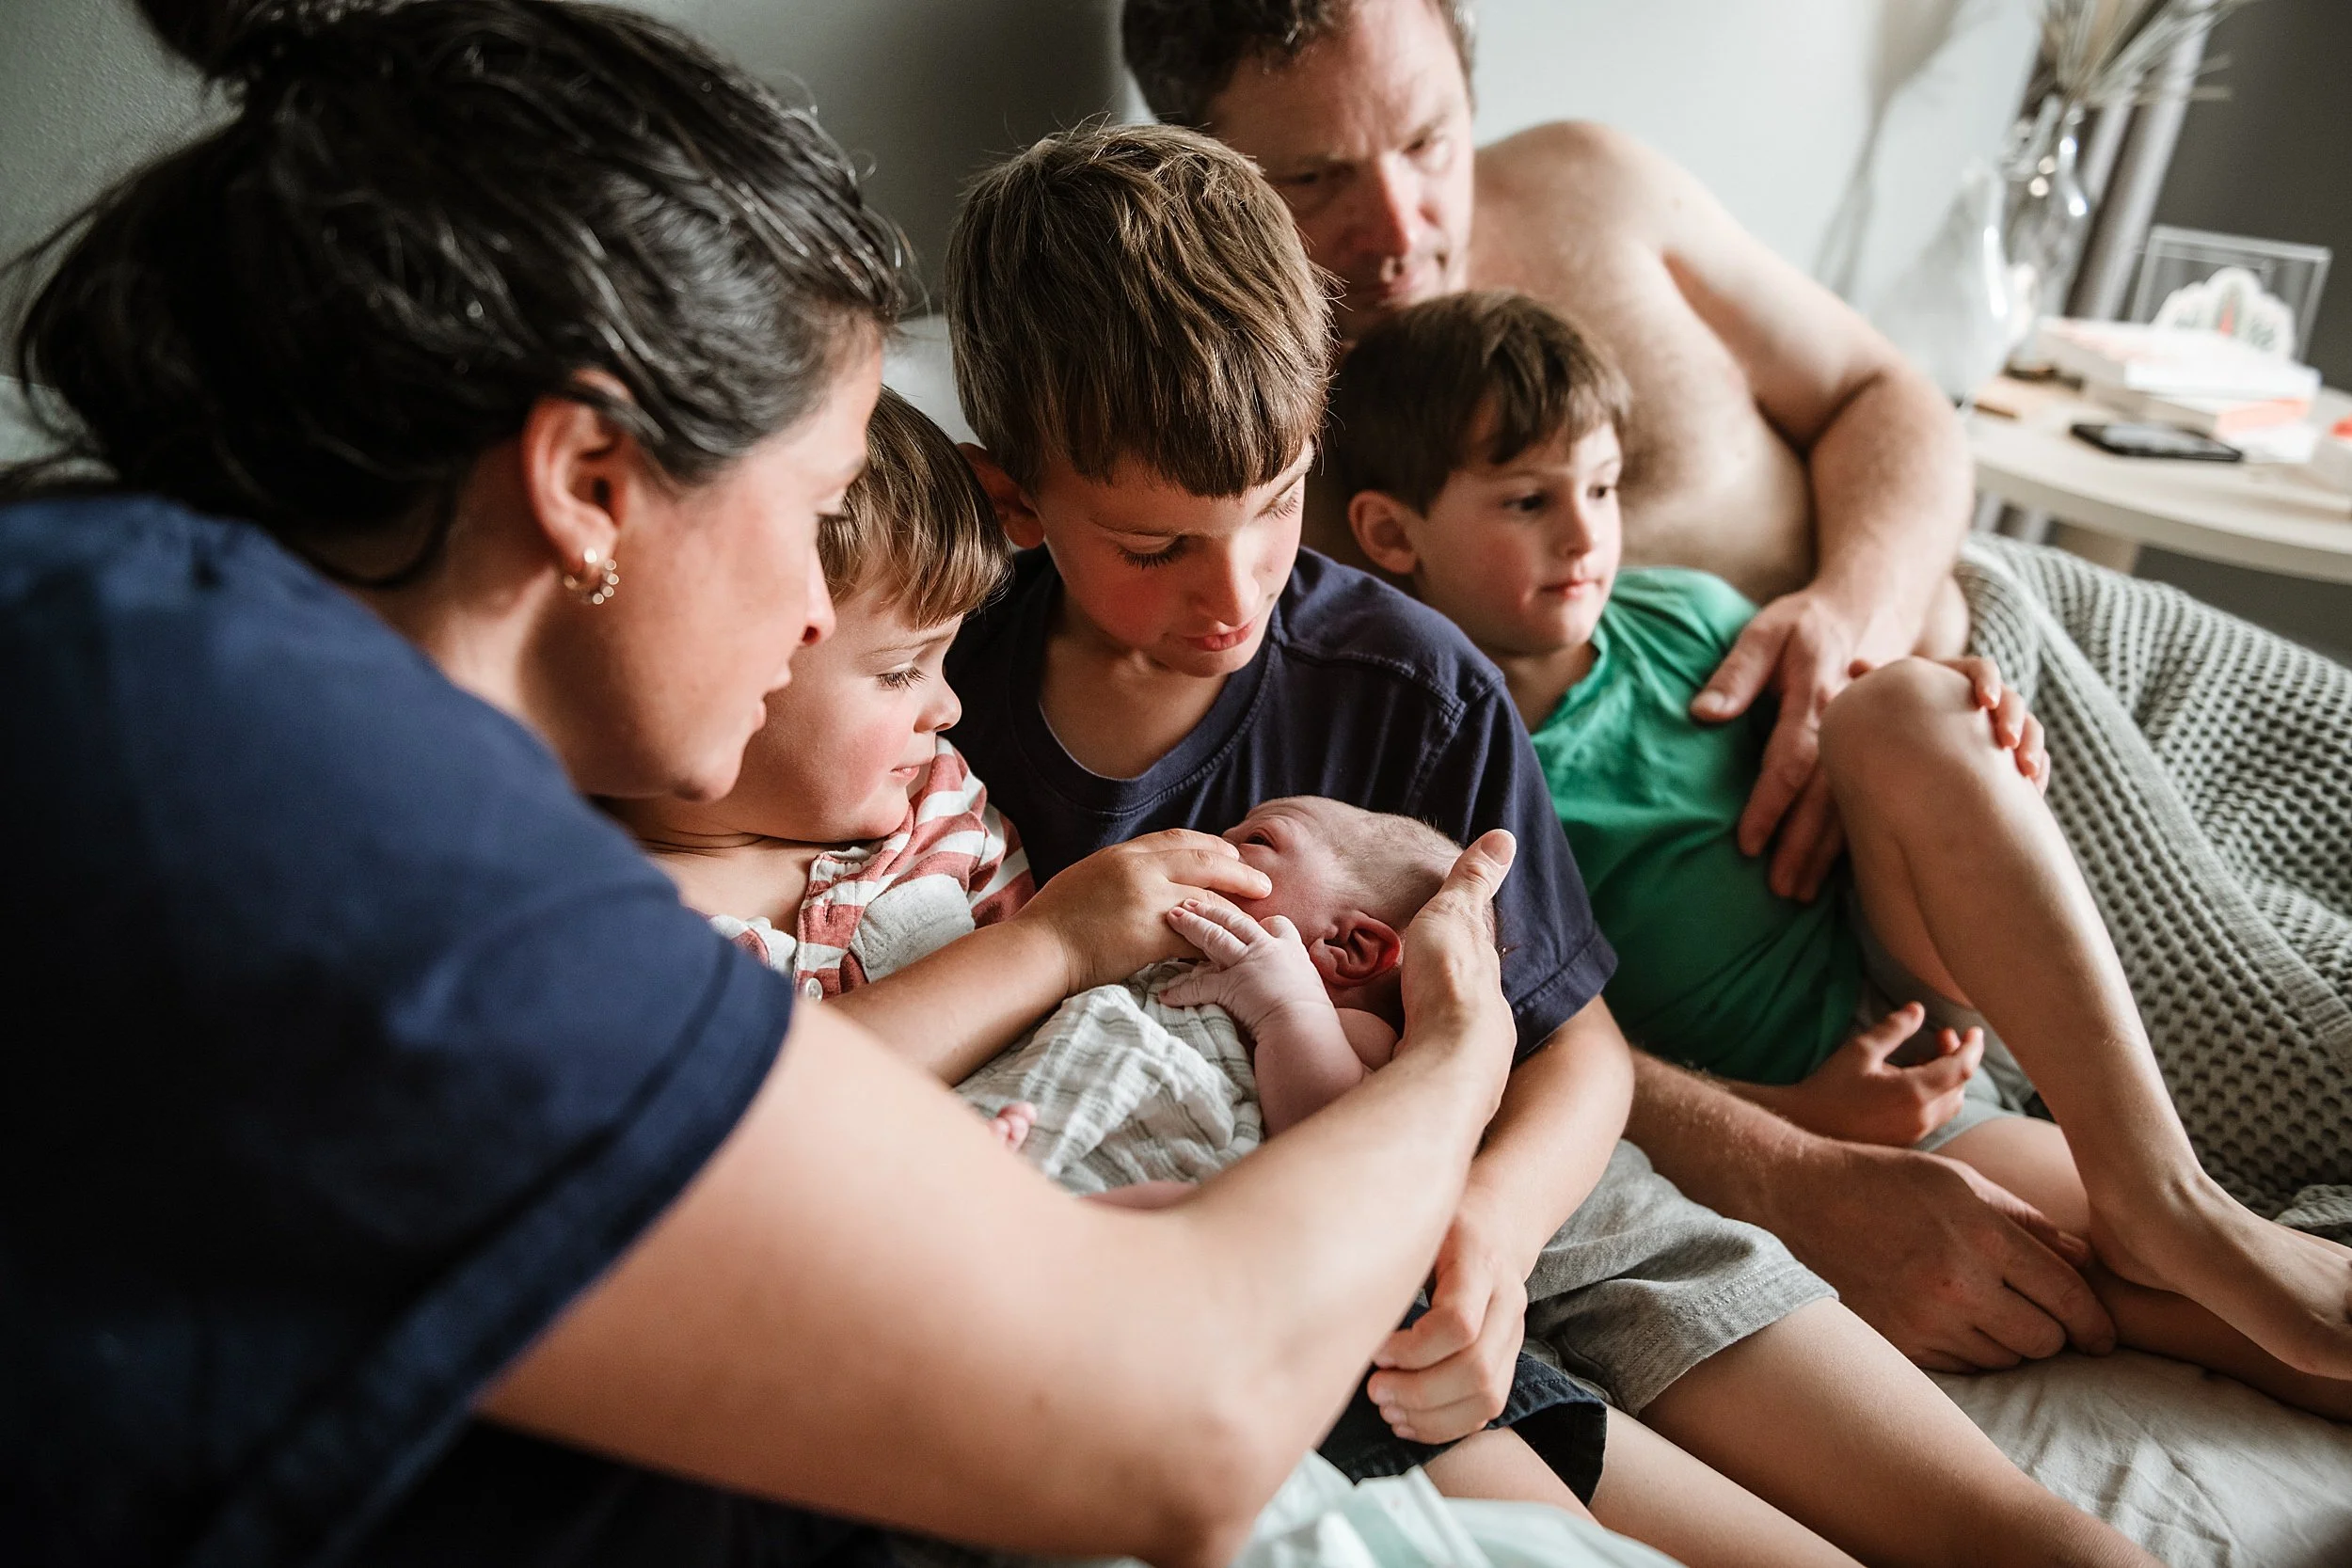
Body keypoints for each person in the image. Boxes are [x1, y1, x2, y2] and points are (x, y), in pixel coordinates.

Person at [0, 2, 1549, 1562]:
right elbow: (1188, 1419)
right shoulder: (321, 832)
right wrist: (1453, 1056)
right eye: (814, 509)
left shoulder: (185, 658)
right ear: (591, 485)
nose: (821, 612)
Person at [935, 122, 2155, 1568]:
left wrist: (1495, 1230)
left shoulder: (1405, 677)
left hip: (1515, 1173)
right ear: (1016, 500)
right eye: (1156, 548)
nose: (1233, 591)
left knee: (2009, 1533)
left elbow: (1578, 1047)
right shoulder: (948, 679)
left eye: (1273, 508)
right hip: (1233, 1205)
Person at [1118, 0, 2142, 1377]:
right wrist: (1787, 1154)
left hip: (1979, 714)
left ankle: (2180, 1200)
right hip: (1799, 992)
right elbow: (1482, 958)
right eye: (1313, 182)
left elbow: (1888, 398)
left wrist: (1852, 632)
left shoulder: (1594, 184)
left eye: (1429, 138)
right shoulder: (1244, 488)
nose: (1401, 220)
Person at [1326, 287, 2352, 1418]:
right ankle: (2159, 1230)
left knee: (1905, 705)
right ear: (1388, 532)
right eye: (1528, 500)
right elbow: (1550, 1038)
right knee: (2135, 1279)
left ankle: (2163, 1183)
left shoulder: (1687, 617)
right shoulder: (1435, 760)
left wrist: (1982, 730)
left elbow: (1876, 778)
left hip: (1917, 970)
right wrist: (1799, 1121)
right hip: (1832, 1103)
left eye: (1606, 488)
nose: (1585, 534)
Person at [612, 388, 1611, 1513]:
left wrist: (1475, 1173)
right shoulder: (627, 918)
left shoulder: (934, 809)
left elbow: (1568, 1048)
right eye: (902, 672)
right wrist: (1061, 941)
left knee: (1538, 1459)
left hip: (1288, 1210)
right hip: (1041, 1274)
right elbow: (754, 1111)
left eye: (1283, 502)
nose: (945, 704)